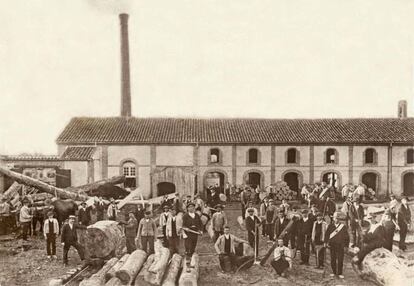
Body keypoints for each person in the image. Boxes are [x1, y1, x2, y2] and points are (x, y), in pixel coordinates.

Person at [324, 212, 349, 279]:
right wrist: (325, 242)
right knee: (333, 259)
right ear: (333, 219)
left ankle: (340, 272)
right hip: (332, 245)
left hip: (340, 245)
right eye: (335, 218)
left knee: (340, 259)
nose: (337, 219)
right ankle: (334, 272)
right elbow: (326, 235)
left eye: (338, 218)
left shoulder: (343, 227)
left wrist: (346, 246)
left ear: (339, 219)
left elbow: (347, 237)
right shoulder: (330, 226)